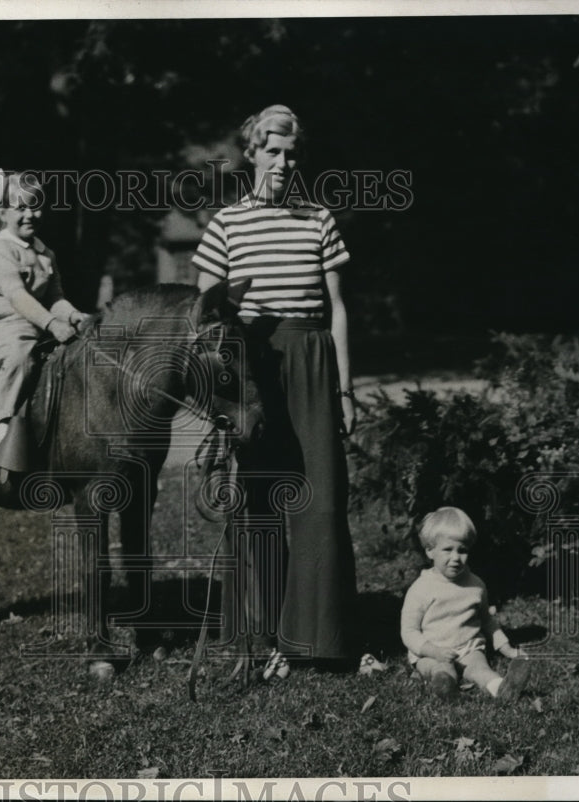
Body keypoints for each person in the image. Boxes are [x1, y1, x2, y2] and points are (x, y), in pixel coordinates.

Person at [192, 104, 357, 677]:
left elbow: (338, 308)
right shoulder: (226, 225)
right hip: (254, 368)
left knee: (321, 499)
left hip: (312, 361)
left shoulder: (318, 218)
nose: (283, 163)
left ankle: (317, 638)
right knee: (256, 501)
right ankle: (259, 634)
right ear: (251, 154)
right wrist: (221, 400)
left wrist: (345, 389)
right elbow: (208, 322)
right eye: (272, 152)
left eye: (291, 154)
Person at [0, 169, 88, 474]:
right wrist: (52, 324)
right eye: (20, 208)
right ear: (2, 213)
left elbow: (55, 297)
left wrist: (73, 316)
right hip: (2, 323)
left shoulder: (45, 253)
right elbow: (16, 295)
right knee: (20, 356)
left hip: (35, 322)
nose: (30, 215)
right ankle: (3, 423)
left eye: (35, 206)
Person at [400, 506, 531, 701]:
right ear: (430, 551)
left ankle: (502, 688)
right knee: (440, 669)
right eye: (447, 549)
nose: (455, 558)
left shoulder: (475, 585)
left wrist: (506, 648)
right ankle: (447, 688)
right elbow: (409, 631)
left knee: (480, 668)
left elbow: (487, 621)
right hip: (431, 650)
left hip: (468, 647)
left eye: (462, 550)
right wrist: (434, 651)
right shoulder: (421, 589)